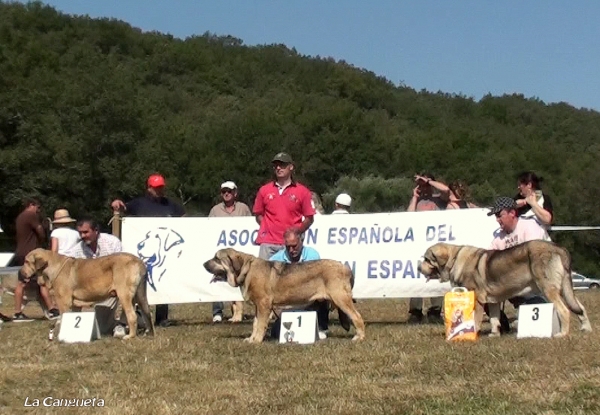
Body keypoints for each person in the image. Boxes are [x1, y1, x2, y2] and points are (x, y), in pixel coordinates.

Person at [111, 173, 186, 328]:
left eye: (161, 188)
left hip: (161, 254)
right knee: (138, 282)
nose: (159, 191)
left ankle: (162, 317)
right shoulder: (139, 203)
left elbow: (183, 217)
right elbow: (124, 208)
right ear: (149, 188)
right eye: (156, 188)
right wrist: (118, 204)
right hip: (141, 251)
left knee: (162, 281)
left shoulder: (170, 205)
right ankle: (139, 316)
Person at [486, 197, 550, 333]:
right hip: (514, 282)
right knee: (485, 290)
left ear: (512, 213)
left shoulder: (530, 226)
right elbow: (489, 259)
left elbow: (535, 258)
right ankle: (499, 325)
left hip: (537, 281)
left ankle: (535, 306)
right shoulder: (499, 237)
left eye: (499, 215)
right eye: (496, 216)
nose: (497, 220)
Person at [67, 217, 134, 338]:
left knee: (128, 292)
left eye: (86, 232)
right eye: (80, 233)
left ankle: (123, 323)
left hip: (118, 282)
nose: (82, 236)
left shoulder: (112, 242)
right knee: (102, 328)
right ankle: (115, 323)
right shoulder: (76, 251)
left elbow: (125, 265)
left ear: (96, 230)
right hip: (98, 290)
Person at [252, 152, 316, 261]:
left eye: (282, 165)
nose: (278, 168)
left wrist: (297, 232)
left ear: (291, 167)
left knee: (292, 277)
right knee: (264, 276)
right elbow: (258, 214)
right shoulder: (264, 190)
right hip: (268, 243)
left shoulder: (302, 191)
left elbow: (309, 218)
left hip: (290, 244)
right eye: (276, 165)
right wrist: (267, 227)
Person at [406, 173, 450, 324]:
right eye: (420, 185)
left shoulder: (439, 199)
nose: (423, 188)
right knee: (417, 275)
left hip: (436, 244)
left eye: (425, 185)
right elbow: (408, 216)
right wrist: (415, 197)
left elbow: (446, 190)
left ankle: (435, 310)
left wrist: (430, 181)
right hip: (419, 243)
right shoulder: (418, 201)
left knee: (436, 276)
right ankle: (415, 311)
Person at [269, 227, 327, 339]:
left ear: (302, 241)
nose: (291, 250)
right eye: (288, 247)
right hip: (286, 303)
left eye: (294, 246)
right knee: (276, 334)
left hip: (310, 299)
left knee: (324, 293)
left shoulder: (313, 255)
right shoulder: (274, 260)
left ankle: (321, 326)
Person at [8, 198, 59, 322]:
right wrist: (44, 237)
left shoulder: (20, 217)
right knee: (42, 280)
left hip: (21, 252)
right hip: (31, 254)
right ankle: (52, 310)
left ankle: (18, 312)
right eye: (38, 207)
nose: (38, 211)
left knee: (22, 281)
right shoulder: (30, 215)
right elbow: (40, 230)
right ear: (31, 205)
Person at [208, 181, 252, 323]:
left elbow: (250, 226)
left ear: (235, 193)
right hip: (221, 253)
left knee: (237, 279)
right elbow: (208, 227)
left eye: (229, 191)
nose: (226, 193)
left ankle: (238, 311)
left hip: (237, 254)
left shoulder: (243, 208)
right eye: (223, 191)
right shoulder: (215, 210)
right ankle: (217, 312)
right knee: (218, 278)